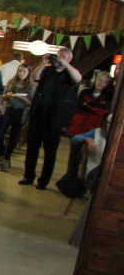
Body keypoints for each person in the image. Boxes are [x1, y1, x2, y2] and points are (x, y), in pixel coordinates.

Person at [20, 47, 82, 189]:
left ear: (69, 59)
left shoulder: (69, 74)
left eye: (63, 56)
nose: (59, 58)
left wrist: (65, 64)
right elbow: (35, 77)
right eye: (58, 55)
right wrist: (43, 63)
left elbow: (78, 78)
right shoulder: (48, 71)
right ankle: (28, 176)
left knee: (50, 151)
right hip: (38, 114)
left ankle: (43, 181)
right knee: (32, 148)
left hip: (55, 118)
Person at [0, 63, 33, 171]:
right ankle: (1, 154)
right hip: (9, 109)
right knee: (0, 132)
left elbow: (31, 103)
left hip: (21, 112)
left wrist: (24, 99)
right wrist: (7, 96)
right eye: (20, 71)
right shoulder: (11, 82)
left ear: (28, 73)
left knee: (14, 136)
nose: (21, 73)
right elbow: (3, 96)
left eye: (24, 71)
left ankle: (6, 158)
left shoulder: (30, 86)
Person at [65, 71, 113, 137]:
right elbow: (79, 107)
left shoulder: (108, 97)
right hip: (78, 126)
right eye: (100, 80)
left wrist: (87, 104)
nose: (101, 83)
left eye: (104, 82)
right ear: (95, 80)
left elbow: (103, 111)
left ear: (107, 84)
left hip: (94, 127)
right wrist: (96, 107)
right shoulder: (85, 92)